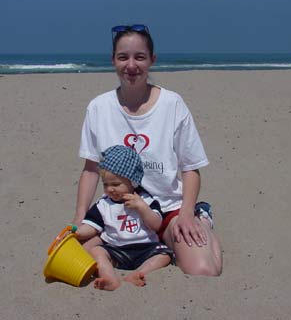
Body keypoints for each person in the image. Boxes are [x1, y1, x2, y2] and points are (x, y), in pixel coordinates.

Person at [73, 24, 222, 276]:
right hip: (118, 212)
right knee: (82, 252)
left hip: (166, 210)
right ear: (113, 60)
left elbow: (190, 168)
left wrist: (185, 214)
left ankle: (201, 217)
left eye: (139, 57)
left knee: (203, 269)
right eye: (123, 57)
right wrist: (79, 217)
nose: (131, 65)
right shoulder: (98, 108)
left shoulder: (172, 104)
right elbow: (90, 170)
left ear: (152, 60)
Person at [76, 145, 173, 290]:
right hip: (116, 249)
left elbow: (156, 225)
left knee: (165, 254)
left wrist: (142, 208)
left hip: (145, 248)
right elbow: (91, 227)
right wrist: (76, 232)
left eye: (116, 184)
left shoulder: (145, 199)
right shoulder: (103, 204)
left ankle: (139, 273)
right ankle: (109, 278)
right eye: (106, 184)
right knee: (96, 251)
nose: (110, 189)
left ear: (132, 181)